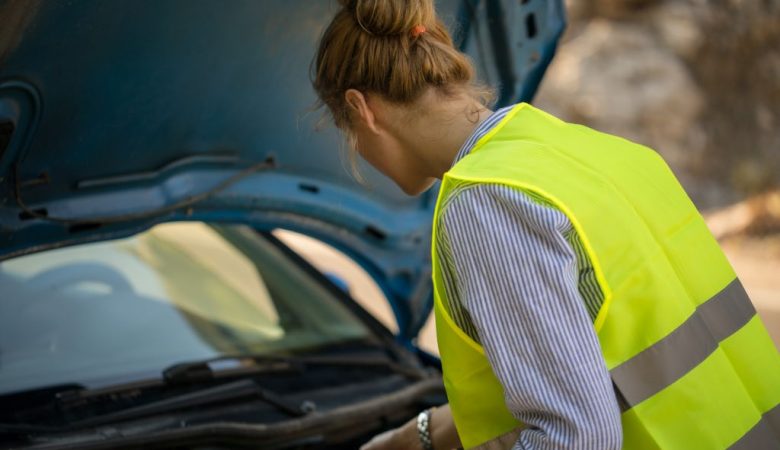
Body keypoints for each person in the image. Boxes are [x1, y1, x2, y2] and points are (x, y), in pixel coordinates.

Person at [311, 1, 780, 449]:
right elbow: (601, 358)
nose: (360, 156)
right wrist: (421, 435)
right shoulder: (596, 153)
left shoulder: (484, 201)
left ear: (362, 110)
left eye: (348, 136)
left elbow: (576, 436)